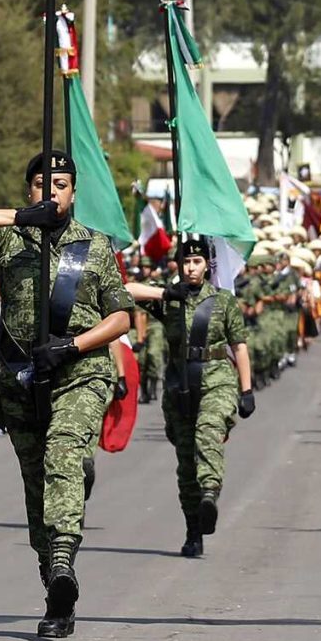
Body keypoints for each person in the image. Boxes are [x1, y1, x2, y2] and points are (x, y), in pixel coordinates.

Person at [0, 147, 133, 641]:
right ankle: (56, 593)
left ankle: (64, 560)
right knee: (38, 489)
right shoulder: (11, 240)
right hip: (22, 378)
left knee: (62, 458)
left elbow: (121, 317)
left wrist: (72, 344)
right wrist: (20, 217)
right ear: (28, 189)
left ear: (73, 192)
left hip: (79, 371)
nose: (50, 192)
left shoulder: (94, 246)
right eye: (40, 184)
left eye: (60, 185)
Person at [128, 236, 255, 558]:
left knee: (208, 431)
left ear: (207, 265)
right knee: (186, 463)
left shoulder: (224, 301)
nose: (191, 267)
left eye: (197, 261)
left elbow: (238, 346)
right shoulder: (169, 299)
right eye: (185, 261)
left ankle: (210, 492)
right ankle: (193, 529)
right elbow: (125, 289)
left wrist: (247, 389)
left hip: (216, 378)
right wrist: (166, 292)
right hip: (180, 384)